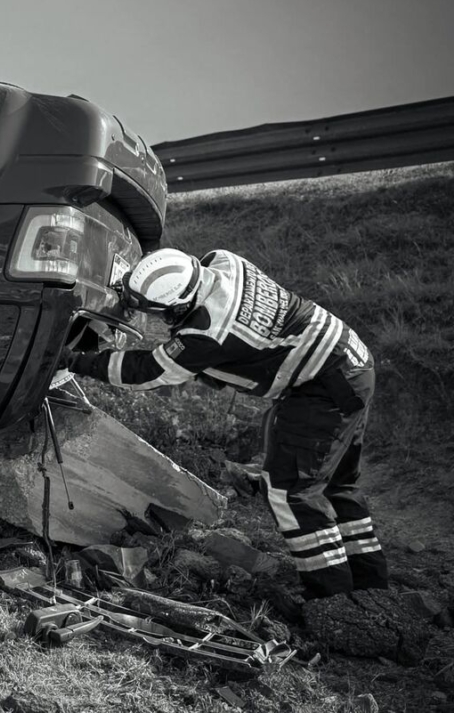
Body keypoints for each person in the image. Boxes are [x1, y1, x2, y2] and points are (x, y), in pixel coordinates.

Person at [65, 247, 388, 599]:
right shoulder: (223, 261)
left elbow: (146, 372)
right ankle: (372, 586)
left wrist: (76, 361)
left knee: (290, 491)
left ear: (177, 307)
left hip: (323, 387)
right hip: (352, 359)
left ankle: (333, 598)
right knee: (337, 485)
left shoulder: (207, 332)